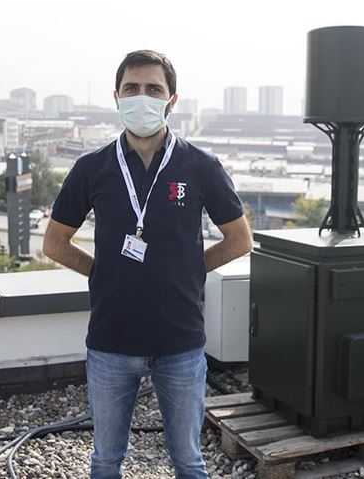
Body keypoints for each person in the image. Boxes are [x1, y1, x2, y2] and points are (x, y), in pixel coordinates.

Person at [42, 49, 252, 479]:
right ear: (117, 97)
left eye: (154, 89)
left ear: (172, 99)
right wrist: (102, 272)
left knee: (189, 461)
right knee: (105, 461)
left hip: (181, 342)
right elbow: (55, 244)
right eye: (132, 88)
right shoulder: (91, 168)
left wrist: (191, 269)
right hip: (111, 341)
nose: (142, 97)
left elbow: (239, 240)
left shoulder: (201, 166)